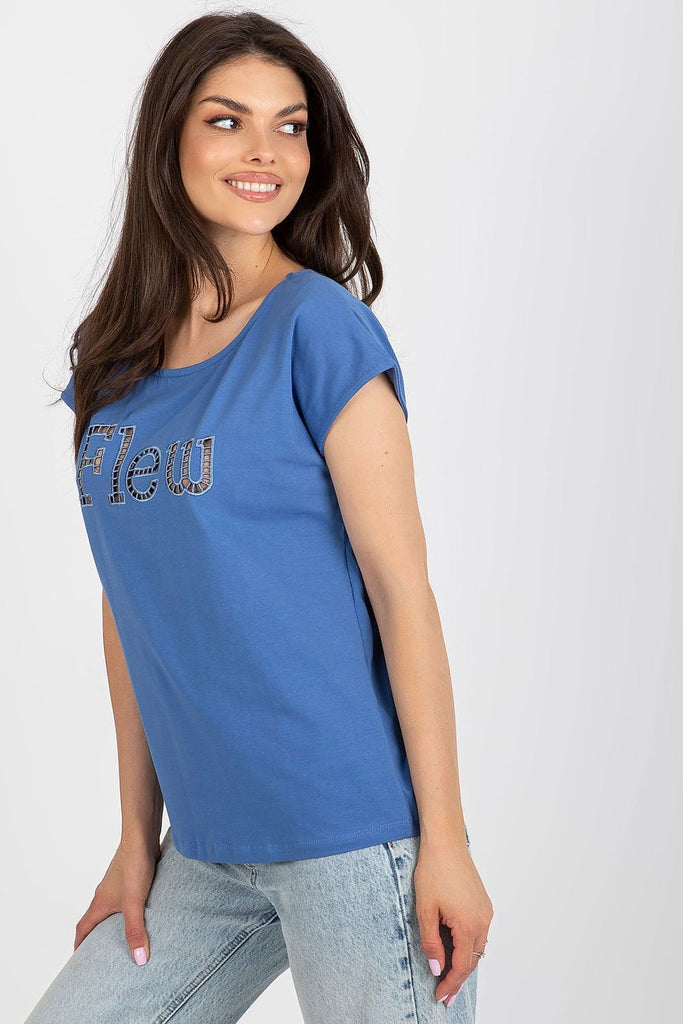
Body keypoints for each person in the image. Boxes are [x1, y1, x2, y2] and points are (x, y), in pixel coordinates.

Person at [27, 10, 494, 1024]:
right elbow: (130, 606)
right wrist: (135, 837)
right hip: (204, 847)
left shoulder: (318, 327)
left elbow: (401, 592)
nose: (264, 152)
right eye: (227, 120)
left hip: (349, 831)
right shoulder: (115, 362)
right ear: (169, 140)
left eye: (290, 127)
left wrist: (444, 841)